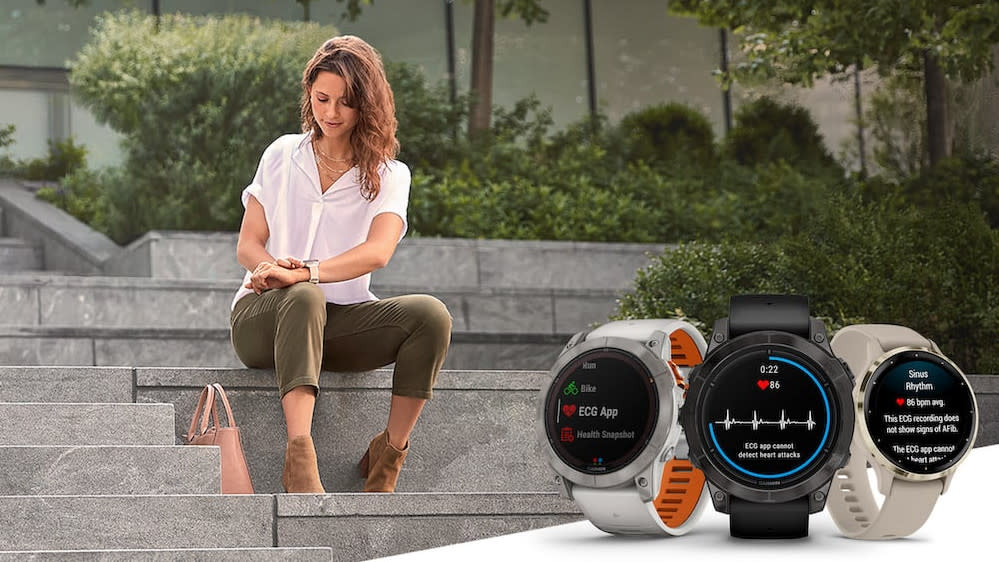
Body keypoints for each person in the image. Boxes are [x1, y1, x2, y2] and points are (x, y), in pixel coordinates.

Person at [229, 35, 452, 494]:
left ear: (366, 106)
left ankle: (388, 454)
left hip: (339, 323)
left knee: (431, 316)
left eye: (346, 103)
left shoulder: (391, 174)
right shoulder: (282, 154)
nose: (331, 113)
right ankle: (300, 459)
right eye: (322, 98)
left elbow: (378, 252)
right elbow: (249, 244)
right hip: (263, 318)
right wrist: (275, 273)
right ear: (309, 92)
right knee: (304, 295)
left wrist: (305, 270)